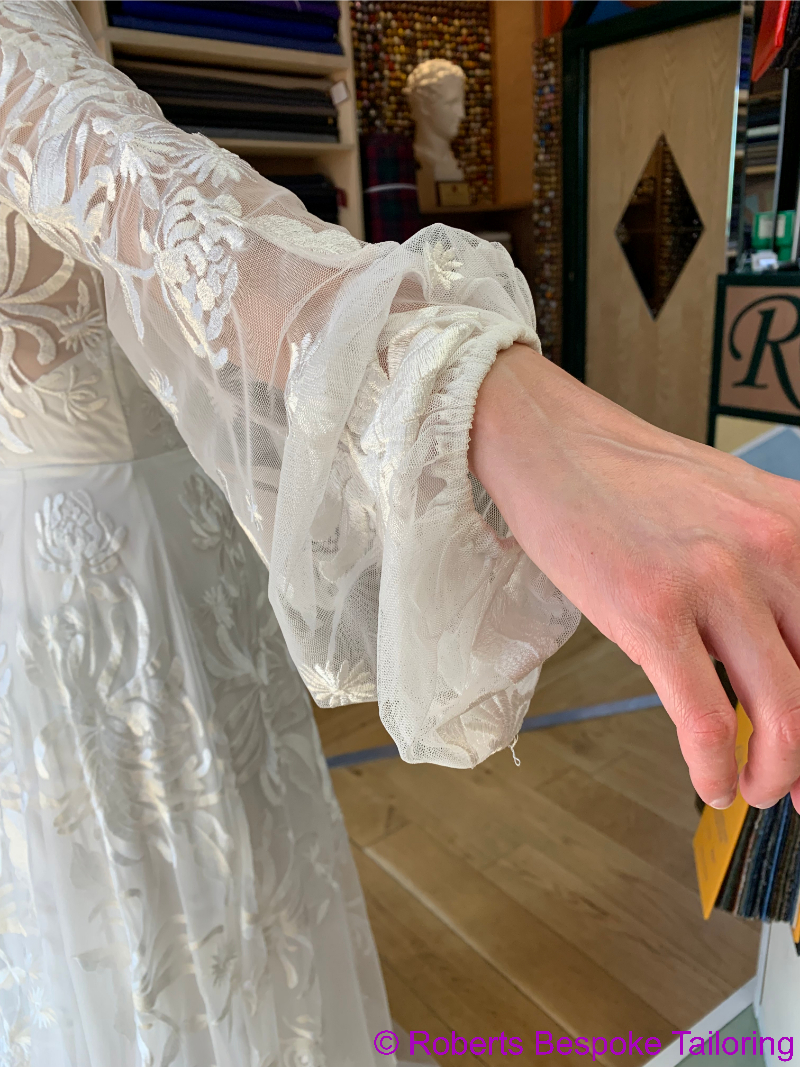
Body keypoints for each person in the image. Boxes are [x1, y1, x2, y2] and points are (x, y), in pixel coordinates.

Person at [2, 3, 800, 1065]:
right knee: (135, 900)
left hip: (181, 546)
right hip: (91, 584)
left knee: (260, 877)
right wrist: (474, 391)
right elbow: (145, 192)